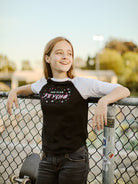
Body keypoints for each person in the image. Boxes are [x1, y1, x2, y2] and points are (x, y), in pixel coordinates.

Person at [7, 36, 130, 184]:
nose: (65, 57)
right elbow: (26, 89)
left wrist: (103, 101)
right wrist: (14, 91)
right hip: (47, 158)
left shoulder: (81, 83)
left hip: (74, 159)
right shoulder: (43, 84)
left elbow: (123, 90)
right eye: (59, 53)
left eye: (69, 53)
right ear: (47, 58)